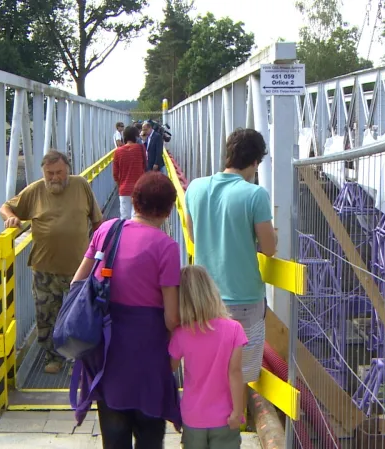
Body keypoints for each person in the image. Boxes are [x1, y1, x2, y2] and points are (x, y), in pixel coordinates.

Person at [71, 171, 182, 449]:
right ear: (168, 210)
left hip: (106, 350)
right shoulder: (167, 247)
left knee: (114, 431)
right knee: (148, 434)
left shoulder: (106, 230)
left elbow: (77, 282)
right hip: (148, 352)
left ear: (134, 200)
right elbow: (171, 317)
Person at [183, 128, 276, 384]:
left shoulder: (195, 187)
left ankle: (204, 419)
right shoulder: (255, 194)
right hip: (244, 299)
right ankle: (233, 421)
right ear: (255, 162)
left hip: (204, 296)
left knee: (206, 370)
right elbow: (268, 248)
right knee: (240, 376)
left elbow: (192, 236)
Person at [0, 150, 103, 374]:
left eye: (59, 173)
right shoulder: (35, 190)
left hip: (80, 268)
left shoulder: (81, 185)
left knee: (82, 314)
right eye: (50, 174)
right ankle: (53, 357)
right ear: (43, 173)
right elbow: (5, 207)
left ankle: (81, 359)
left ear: (68, 170)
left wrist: (101, 257)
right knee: (47, 315)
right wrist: (10, 218)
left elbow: (97, 222)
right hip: (45, 268)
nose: (54, 178)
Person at [170, 265, 247, 449]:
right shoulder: (234, 329)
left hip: (192, 418)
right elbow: (235, 373)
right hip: (225, 418)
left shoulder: (180, 334)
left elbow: (168, 369)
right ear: (211, 291)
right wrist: (237, 412)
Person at [112, 125, 147, 219]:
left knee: (124, 217)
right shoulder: (140, 148)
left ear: (125, 137)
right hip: (138, 188)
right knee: (136, 216)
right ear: (136, 136)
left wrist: (121, 184)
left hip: (124, 189)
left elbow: (115, 174)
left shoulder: (118, 152)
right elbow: (145, 166)